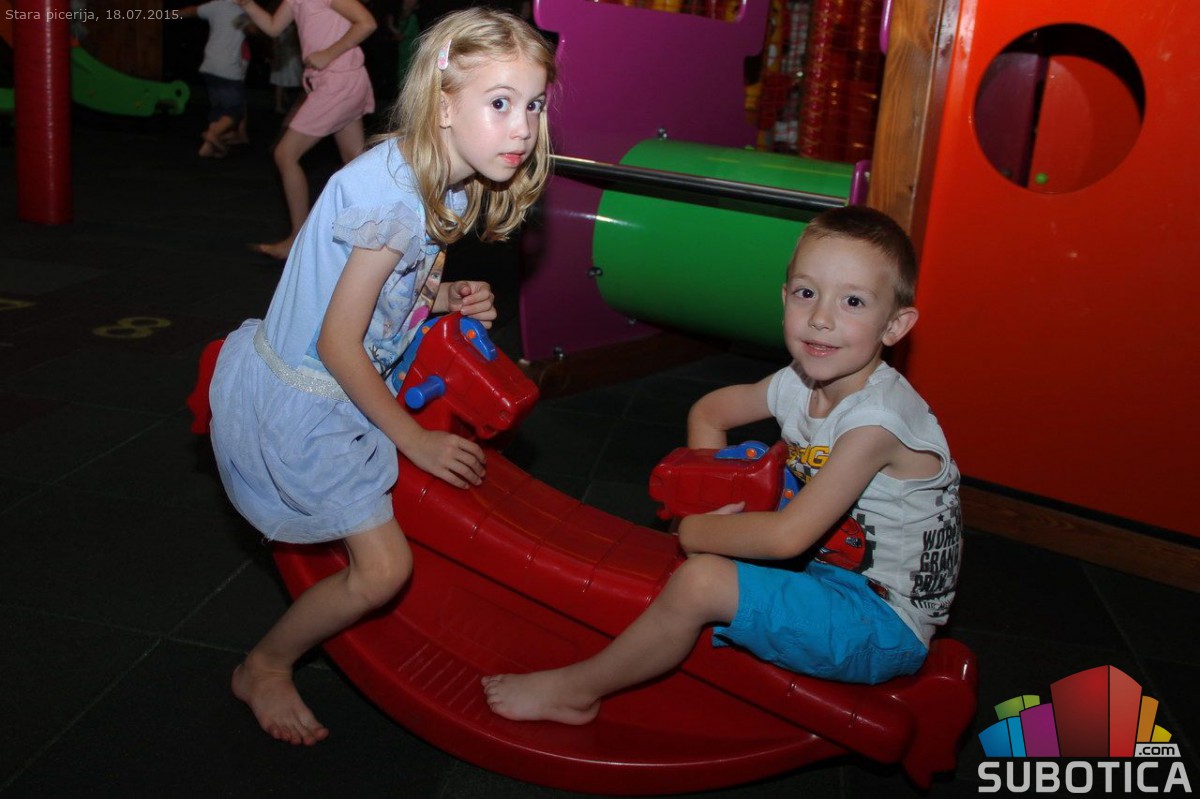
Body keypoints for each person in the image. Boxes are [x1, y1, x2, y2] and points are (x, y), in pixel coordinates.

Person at [207, 7, 555, 745]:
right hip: (311, 400)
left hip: (345, 381)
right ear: (444, 102)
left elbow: (389, 285)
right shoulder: (392, 196)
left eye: (533, 104)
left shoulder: (442, 180)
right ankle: (264, 664)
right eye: (500, 103)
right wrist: (413, 441)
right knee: (384, 570)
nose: (523, 127)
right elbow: (339, 344)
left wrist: (442, 295)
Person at [482, 206, 964, 725]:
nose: (821, 317)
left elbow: (786, 538)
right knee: (752, 474)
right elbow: (709, 412)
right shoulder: (799, 382)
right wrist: (709, 495)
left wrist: (695, 530)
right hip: (825, 568)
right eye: (807, 293)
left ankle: (576, 693)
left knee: (701, 583)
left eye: (852, 301)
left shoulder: (877, 423)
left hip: (880, 621)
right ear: (784, 297)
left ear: (895, 325)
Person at [234, 0, 378, 260]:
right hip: (336, 81)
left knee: (285, 154)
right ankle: (378, 231)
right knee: (354, 160)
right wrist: (248, 5)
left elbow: (366, 23)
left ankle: (297, 241)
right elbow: (274, 27)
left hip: (339, 82)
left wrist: (329, 53)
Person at [178, 0, 253, 158]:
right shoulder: (241, 11)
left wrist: (171, 14)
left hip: (209, 66)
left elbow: (192, 10)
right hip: (227, 69)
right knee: (236, 110)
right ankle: (213, 134)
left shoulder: (216, 5)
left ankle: (208, 147)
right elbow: (253, 30)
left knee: (218, 109)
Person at [269, 22, 304, 114]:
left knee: (283, 82)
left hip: (288, 55)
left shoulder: (289, 28)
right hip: (286, 56)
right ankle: (279, 105)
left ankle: (282, 102)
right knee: (281, 82)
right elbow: (277, 43)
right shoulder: (285, 29)